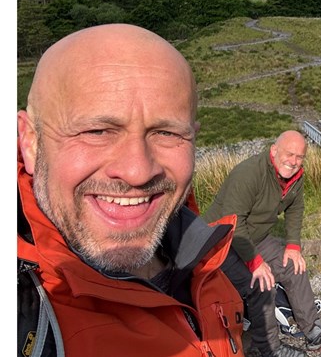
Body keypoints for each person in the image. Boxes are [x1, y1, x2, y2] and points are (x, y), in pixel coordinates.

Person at [17, 24, 246, 356]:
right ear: (30, 142)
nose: (137, 172)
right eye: (97, 131)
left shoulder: (203, 254)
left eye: (167, 133)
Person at [202, 130, 321, 352]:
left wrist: (293, 245)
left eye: (299, 157)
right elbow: (233, 220)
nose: (293, 161)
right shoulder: (249, 173)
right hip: (220, 242)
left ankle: (313, 331)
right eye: (289, 154)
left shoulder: (295, 177)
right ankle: (269, 349)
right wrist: (255, 261)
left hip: (255, 237)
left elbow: (296, 208)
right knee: (262, 283)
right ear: (274, 150)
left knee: (294, 265)